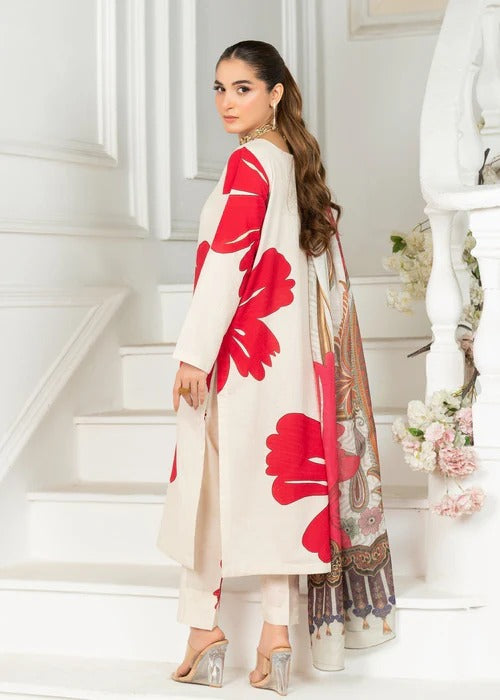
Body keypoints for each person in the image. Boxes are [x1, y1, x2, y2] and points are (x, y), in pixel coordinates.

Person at [156, 39, 397, 695]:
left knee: (203, 486)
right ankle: (276, 640)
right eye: (219, 88)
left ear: (275, 93)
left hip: (239, 351)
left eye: (243, 88)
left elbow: (228, 259)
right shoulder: (295, 166)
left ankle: (202, 632)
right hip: (291, 363)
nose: (226, 102)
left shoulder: (248, 164)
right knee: (277, 496)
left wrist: (193, 353)